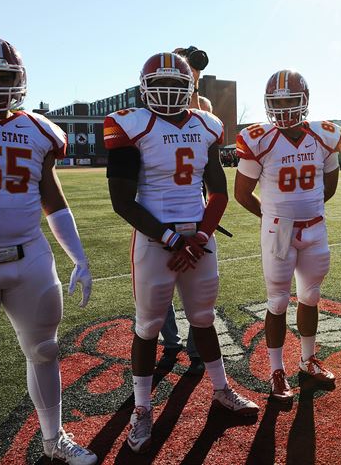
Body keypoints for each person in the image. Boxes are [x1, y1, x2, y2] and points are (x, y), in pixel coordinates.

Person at [0, 36, 96, 465]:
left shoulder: (38, 128)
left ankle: (53, 440)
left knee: (46, 350)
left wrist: (79, 256)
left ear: (20, 79)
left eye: (3, 76)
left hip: (28, 257)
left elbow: (51, 196)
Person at [105, 52, 258, 454]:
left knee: (204, 319)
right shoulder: (129, 124)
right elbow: (122, 201)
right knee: (149, 326)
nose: (170, 93)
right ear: (145, 89)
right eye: (161, 86)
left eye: (177, 86)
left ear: (189, 88)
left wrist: (202, 236)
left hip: (198, 239)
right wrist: (176, 240)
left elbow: (219, 191)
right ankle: (141, 409)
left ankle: (222, 389)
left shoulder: (206, 124)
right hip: (157, 242)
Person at [234, 69, 341, 403]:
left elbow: (331, 185)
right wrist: (275, 217)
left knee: (310, 296)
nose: (282, 108)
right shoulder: (259, 139)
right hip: (278, 231)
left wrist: (304, 211)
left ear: (304, 101)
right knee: (278, 301)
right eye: (275, 101)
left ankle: (308, 359)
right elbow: (241, 193)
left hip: (314, 228)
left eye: (289, 100)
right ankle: (276, 370)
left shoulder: (325, 135)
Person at [157, 45, 213, 376]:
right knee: (160, 283)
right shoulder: (152, 106)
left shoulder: (202, 105)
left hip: (195, 205)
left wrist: (194, 81)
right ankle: (170, 341)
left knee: (198, 284)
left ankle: (194, 346)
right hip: (160, 207)